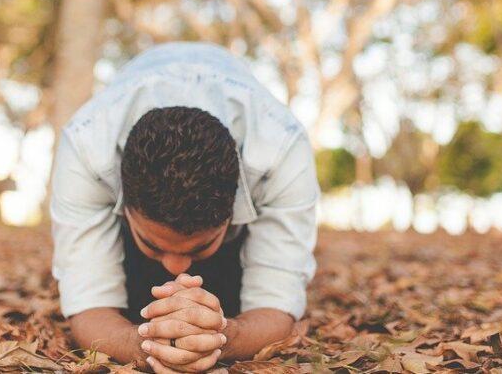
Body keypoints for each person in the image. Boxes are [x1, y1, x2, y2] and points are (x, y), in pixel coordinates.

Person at [50, 42, 319, 373]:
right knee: (139, 299)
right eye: (153, 242)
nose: (177, 268)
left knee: (226, 294)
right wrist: (143, 343)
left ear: (232, 210)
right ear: (125, 204)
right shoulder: (86, 145)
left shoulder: (281, 148)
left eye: (202, 244)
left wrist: (222, 336)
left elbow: (277, 303)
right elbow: (89, 304)